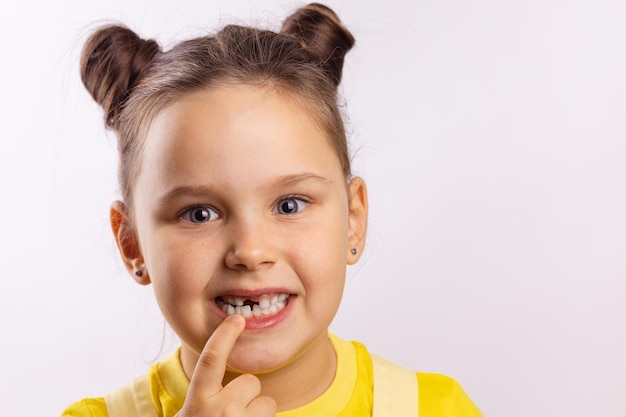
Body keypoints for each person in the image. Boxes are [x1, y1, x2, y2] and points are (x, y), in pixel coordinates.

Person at [62, 3, 483, 416]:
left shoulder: (436, 408)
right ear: (132, 244)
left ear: (353, 220)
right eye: (199, 214)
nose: (249, 250)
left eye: (289, 205)